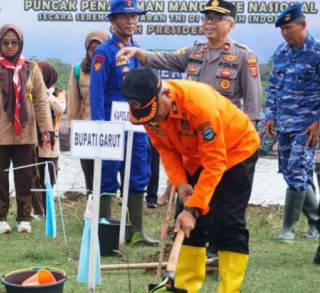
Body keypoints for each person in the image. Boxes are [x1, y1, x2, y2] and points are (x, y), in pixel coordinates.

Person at [123, 67, 259, 293]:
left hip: (235, 152)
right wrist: (181, 182)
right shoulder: (147, 116)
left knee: (227, 223)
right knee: (185, 225)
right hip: (193, 159)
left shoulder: (198, 103)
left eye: (155, 115)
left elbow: (215, 161)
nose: (153, 123)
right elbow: (164, 147)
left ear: (164, 93)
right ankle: (184, 292)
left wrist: (194, 207)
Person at [117, 0, 263, 123]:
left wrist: (251, 126)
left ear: (231, 25)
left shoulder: (244, 56)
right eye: (207, 18)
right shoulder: (194, 51)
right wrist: (138, 53)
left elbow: (253, 101)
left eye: (217, 18)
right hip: (192, 126)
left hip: (225, 126)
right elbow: (166, 59)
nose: (210, 22)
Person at [0, 24, 53, 234]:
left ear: (20, 44)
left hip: (25, 135)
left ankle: (24, 218)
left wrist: (46, 130)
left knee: (26, 176)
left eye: (14, 43)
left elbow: (41, 102)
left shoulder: (31, 68)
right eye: (6, 43)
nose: (10, 46)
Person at [89, 0, 157, 246]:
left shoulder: (137, 50)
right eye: (125, 17)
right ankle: (104, 230)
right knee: (108, 174)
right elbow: (96, 93)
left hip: (136, 126)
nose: (131, 22)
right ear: (112, 21)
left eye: (134, 17)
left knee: (139, 173)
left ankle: (136, 230)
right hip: (111, 125)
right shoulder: (104, 52)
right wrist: (99, 126)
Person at [265, 3, 320, 243]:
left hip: (308, 125)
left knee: (298, 170)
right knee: (291, 172)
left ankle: (288, 228)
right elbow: (274, 88)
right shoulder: (281, 53)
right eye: (283, 29)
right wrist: (270, 116)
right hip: (284, 123)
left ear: (303, 25)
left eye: (289, 28)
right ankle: (317, 221)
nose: (286, 33)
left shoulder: (317, 52)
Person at [67, 30, 109, 195]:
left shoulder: (112, 69)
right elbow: (73, 102)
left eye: (99, 48)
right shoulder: (78, 70)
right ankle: (91, 200)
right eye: (91, 49)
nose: (95, 52)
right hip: (86, 128)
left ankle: (107, 200)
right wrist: (71, 127)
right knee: (89, 168)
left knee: (107, 169)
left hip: (108, 127)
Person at [32, 61, 66, 218]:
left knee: (50, 176)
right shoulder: (31, 92)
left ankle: (48, 209)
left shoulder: (60, 93)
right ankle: (38, 210)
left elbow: (60, 109)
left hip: (52, 143)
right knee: (34, 176)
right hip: (34, 140)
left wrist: (45, 94)